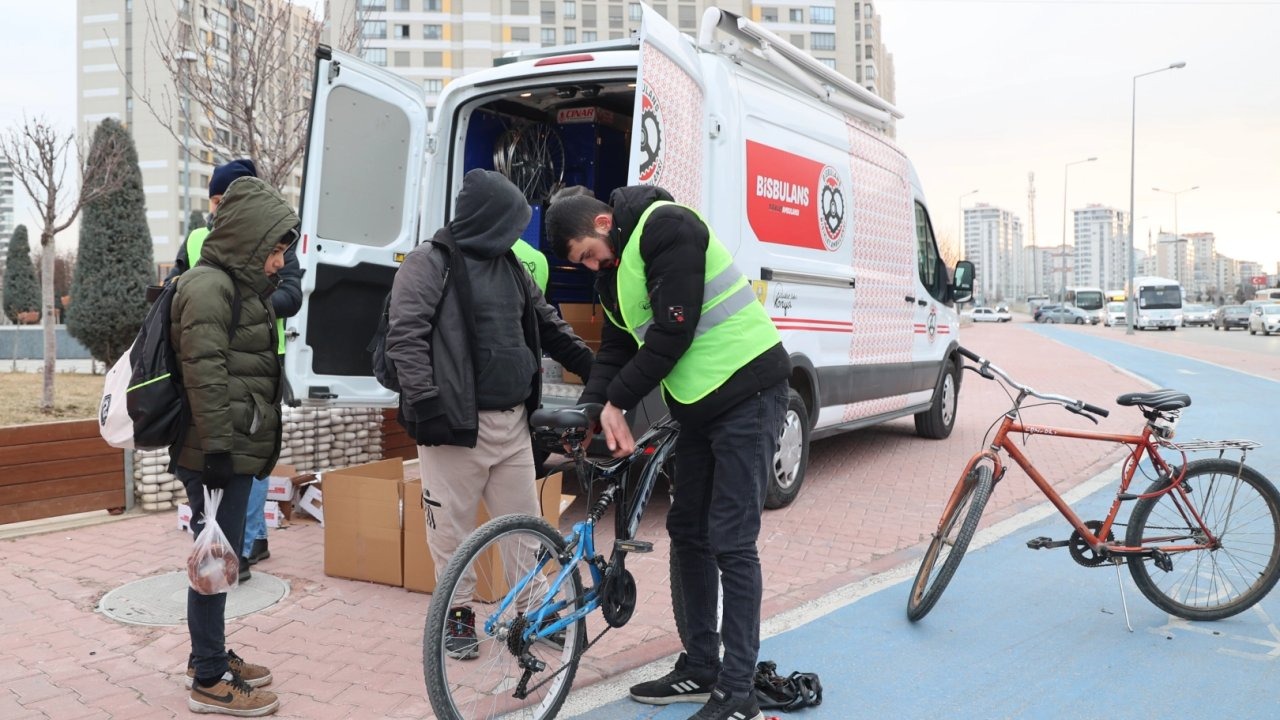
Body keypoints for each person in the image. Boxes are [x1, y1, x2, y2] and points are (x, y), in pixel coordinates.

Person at [545, 186, 790, 720]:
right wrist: (590, 410)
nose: (591, 265)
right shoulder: (612, 277)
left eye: (588, 252)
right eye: (581, 263)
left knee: (732, 539)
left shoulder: (668, 226)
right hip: (700, 405)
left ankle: (738, 687)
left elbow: (673, 330)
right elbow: (616, 348)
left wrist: (618, 402)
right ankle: (702, 666)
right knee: (688, 532)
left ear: (605, 222)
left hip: (749, 389)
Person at [385, 169, 594, 659]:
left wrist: (598, 370)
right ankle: (457, 618)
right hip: (453, 426)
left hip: (513, 424)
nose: (515, 234)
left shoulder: (511, 267)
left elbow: (550, 327)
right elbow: (405, 336)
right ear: (486, 219)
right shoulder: (428, 262)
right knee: (452, 533)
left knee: (524, 525)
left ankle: (533, 612)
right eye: (510, 223)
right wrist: (428, 404)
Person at [171, 175, 299, 716]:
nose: (278, 263)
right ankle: (207, 678)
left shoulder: (235, 287)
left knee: (220, 558)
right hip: (215, 453)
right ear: (248, 239)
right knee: (213, 561)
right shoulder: (208, 287)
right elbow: (206, 374)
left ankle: (212, 654)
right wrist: (220, 453)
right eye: (273, 250)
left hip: (231, 447)